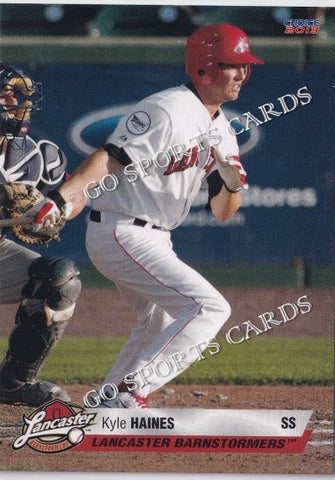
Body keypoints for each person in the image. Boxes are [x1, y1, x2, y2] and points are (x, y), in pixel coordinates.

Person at [30, 24, 264, 408]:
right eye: (232, 65)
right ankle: (129, 391)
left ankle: (110, 400)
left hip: (155, 237)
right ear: (204, 68)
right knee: (210, 307)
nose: (242, 75)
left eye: (245, 67)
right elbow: (108, 158)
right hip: (122, 231)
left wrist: (231, 185)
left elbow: (223, 212)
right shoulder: (167, 109)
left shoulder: (223, 128)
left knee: (158, 320)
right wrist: (60, 200)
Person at [0, 64, 81, 406]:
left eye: (17, 95)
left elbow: (75, 195)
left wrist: (56, 211)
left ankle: (14, 382)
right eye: (4, 95)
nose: (14, 102)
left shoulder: (35, 156)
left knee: (60, 280)